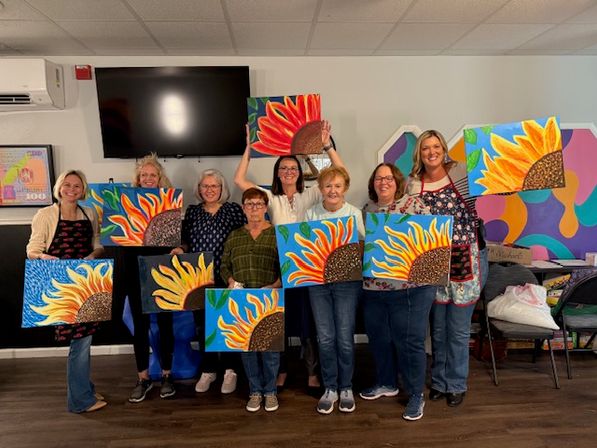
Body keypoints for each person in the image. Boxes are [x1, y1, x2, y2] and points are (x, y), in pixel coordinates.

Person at [234, 121, 345, 391]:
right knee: (279, 319)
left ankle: (312, 370)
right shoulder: (270, 198)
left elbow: (339, 174)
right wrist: (250, 147)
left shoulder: (311, 195)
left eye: (293, 168)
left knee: (309, 321)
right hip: (279, 266)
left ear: (300, 172)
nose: (288, 171)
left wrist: (328, 147)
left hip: (308, 265)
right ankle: (281, 370)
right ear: (277, 173)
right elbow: (239, 180)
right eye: (283, 168)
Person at [406, 130, 486, 407]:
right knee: (438, 328)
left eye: (436, 146)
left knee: (459, 328)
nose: (431, 152)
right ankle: (438, 381)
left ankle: (456, 383)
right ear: (419, 153)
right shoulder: (414, 184)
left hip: (465, 256)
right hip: (434, 261)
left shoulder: (463, 171)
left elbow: (496, 184)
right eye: (426, 147)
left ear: (444, 148)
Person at [360, 163, 437, 421]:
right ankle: (387, 383)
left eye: (389, 178)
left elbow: (432, 241)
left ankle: (416, 394)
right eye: (379, 178)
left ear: (397, 181)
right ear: (373, 183)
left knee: (410, 341)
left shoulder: (414, 206)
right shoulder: (366, 211)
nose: (384, 182)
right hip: (374, 288)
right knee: (379, 338)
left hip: (410, 289)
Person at [26, 169, 106, 413]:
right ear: (59, 187)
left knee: (85, 339)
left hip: (86, 282)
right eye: (67, 185)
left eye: (77, 186)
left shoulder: (89, 212)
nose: (71, 189)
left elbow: (97, 244)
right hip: (61, 285)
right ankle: (80, 401)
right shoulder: (46, 214)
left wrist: (93, 255)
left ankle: (85, 388)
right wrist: (44, 257)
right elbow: (32, 249)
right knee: (79, 344)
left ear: (83, 190)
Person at [171, 169, 246, 394]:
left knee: (227, 323)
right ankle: (209, 369)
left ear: (222, 189)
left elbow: (243, 237)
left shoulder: (233, 210)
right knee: (204, 325)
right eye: (205, 186)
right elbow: (185, 241)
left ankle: (230, 370)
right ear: (199, 189)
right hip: (199, 277)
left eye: (214, 186)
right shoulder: (193, 212)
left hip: (227, 275)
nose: (210, 190)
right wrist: (179, 249)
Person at [304, 166, 365, 414]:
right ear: (320, 189)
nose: (332, 190)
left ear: (345, 189)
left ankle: (346, 387)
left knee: (344, 337)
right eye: (328, 186)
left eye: (337, 186)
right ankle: (330, 387)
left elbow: (361, 246)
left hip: (347, 284)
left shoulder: (354, 213)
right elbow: (304, 248)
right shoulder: (310, 214)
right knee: (325, 338)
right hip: (317, 283)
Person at [220, 188, 282, 412]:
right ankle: (255, 391)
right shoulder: (235, 235)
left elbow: (288, 265)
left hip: (270, 297)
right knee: (247, 349)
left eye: (258, 204)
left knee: (270, 350)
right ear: (243, 208)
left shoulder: (277, 234)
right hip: (242, 300)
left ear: (266, 208)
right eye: (249, 204)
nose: (254, 208)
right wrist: (229, 280)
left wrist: (276, 284)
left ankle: (271, 391)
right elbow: (224, 264)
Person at [124, 154, 176, 403]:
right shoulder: (124, 204)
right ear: (138, 178)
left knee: (166, 324)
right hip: (135, 271)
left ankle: (167, 375)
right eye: (143, 175)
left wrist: (178, 247)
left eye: (152, 175)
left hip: (161, 269)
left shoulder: (169, 203)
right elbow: (119, 239)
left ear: (159, 178)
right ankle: (143, 377)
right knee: (140, 327)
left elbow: (176, 238)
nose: (147, 178)